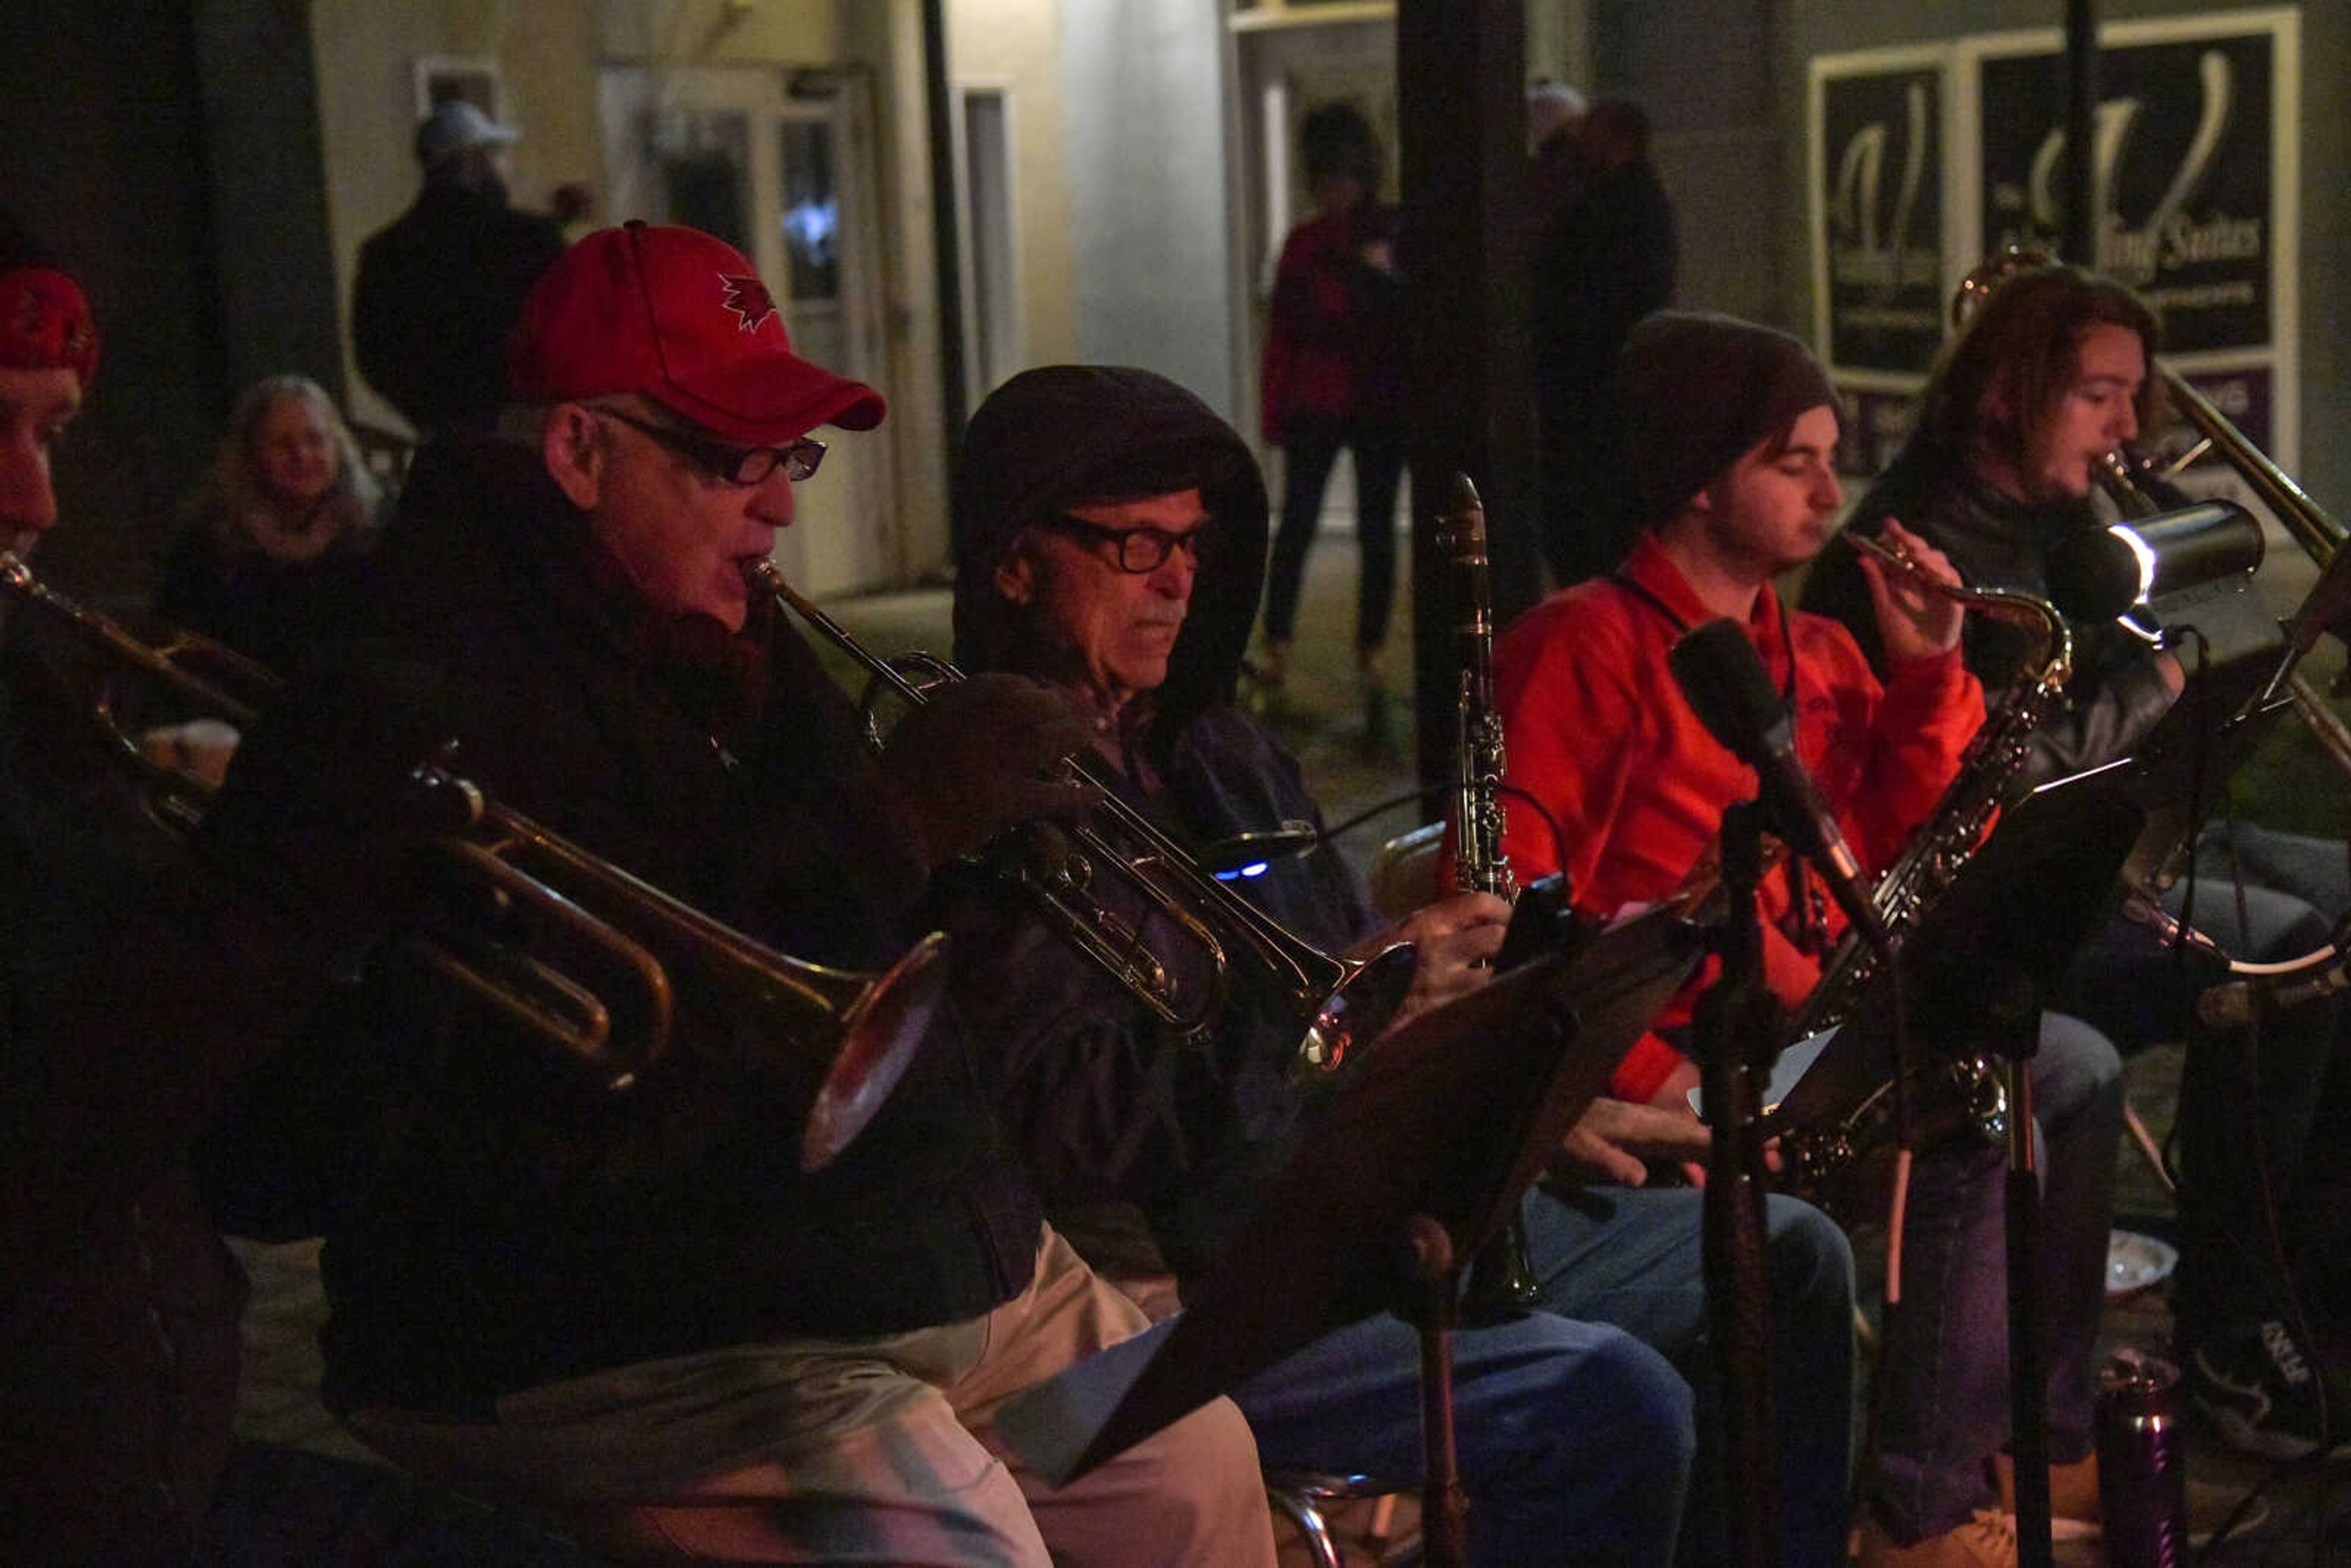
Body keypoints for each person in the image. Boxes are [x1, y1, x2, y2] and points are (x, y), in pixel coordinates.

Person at [195, 220, 1276, 1566]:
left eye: (787, 459)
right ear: (579, 451)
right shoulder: (435, 684)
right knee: (962, 1545)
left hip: (918, 1260)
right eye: (729, 460)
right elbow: (631, 1072)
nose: (778, 504)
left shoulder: (723, 631)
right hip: (647, 1324)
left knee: (1195, 1460)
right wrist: (905, 821)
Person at [948, 361, 1860, 1566]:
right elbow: (1086, 1124)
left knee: (1791, 1249)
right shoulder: (984, 797)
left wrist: (1524, 1090)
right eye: (1135, 548)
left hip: (1378, 1196)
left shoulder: (1220, 750)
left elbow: (1371, 1002)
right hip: (1207, 1286)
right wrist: (1350, 1011)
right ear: (1016, 559)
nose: (1180, 580)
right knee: (1610, 1396)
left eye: (1192, 545)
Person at [1496, 312, 2126, 1566]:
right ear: (1700, 472)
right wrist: (1647, 1083)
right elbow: (1520, 927)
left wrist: (1932, 672)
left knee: (2073, 1063)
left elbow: (1904, 852)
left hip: (1823, 1026)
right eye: (1795, 458)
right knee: (1979, 1099)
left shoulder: (1826, 646)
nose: (1834, 489)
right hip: (1694, 1063)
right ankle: (1911, 1508)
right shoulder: (1585, 643)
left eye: (1834, 455)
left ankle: (2024, 1443)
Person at [1800, 260, 2351, 1460]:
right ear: (2009, 389)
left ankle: (2312, 1290)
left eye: (2132, 395)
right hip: (2004, 895)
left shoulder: (2065, 516)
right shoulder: (1916, 544)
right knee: (2285, 950)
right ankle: (2231, 1325)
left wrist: (2243, 651)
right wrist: (2163, 682)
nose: (2128, 426)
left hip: (2133, 836)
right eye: (2100, 393)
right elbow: (1999, 783)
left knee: (2343, 894)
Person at [1255, 101, 1408, 754]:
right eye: (1326, 180)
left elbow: (1409, 322)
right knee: (1297, 526)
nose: (1334, 191)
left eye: (1344, 178)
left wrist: (1384, 276)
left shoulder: (1390, 236)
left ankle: (1371, 655)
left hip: (1378, 402)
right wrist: (1275, 406)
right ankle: (1278, 650)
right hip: (1319, 400)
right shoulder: (1306, 244)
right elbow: (1286, 333)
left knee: (1377, 531)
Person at [352, 98, 568, 440]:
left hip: (443, 441)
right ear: (472, 161)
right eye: (491, 155)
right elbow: (568, 323)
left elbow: (376, 358)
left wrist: (431, 417)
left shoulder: (386, 254)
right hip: (528, 434)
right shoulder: (527, 239)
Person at [1530, 96, 1677, 591]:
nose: (1578, 145)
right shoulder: (1638, 203)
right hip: (1607, 394)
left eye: (1590, 133)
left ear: (1618, 141)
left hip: (1590, 397)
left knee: (1587, 530)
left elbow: (1567, 294)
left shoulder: (1610, 210)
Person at [158, 373, 386, 670]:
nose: (301, 455)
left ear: (337, 447)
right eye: (281, 443)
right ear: (251, 456)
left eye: (315, 439)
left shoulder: (376, 528)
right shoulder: (209, 542)